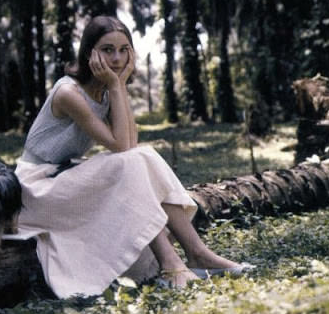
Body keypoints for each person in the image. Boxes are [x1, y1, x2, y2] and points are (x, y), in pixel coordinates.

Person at [14, 15, 253, 298]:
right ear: (89, 52)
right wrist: (118, 85)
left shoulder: (106, 89)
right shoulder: (69, 92)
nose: (117, 58)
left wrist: (119, 86)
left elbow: (132, 143)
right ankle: (173, 263)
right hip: (34, 190)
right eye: (107, 49)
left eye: (124, 49)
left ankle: (197, 254)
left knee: (142, 157)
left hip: (63, 177)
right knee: (132, 160)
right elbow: (122, 146)